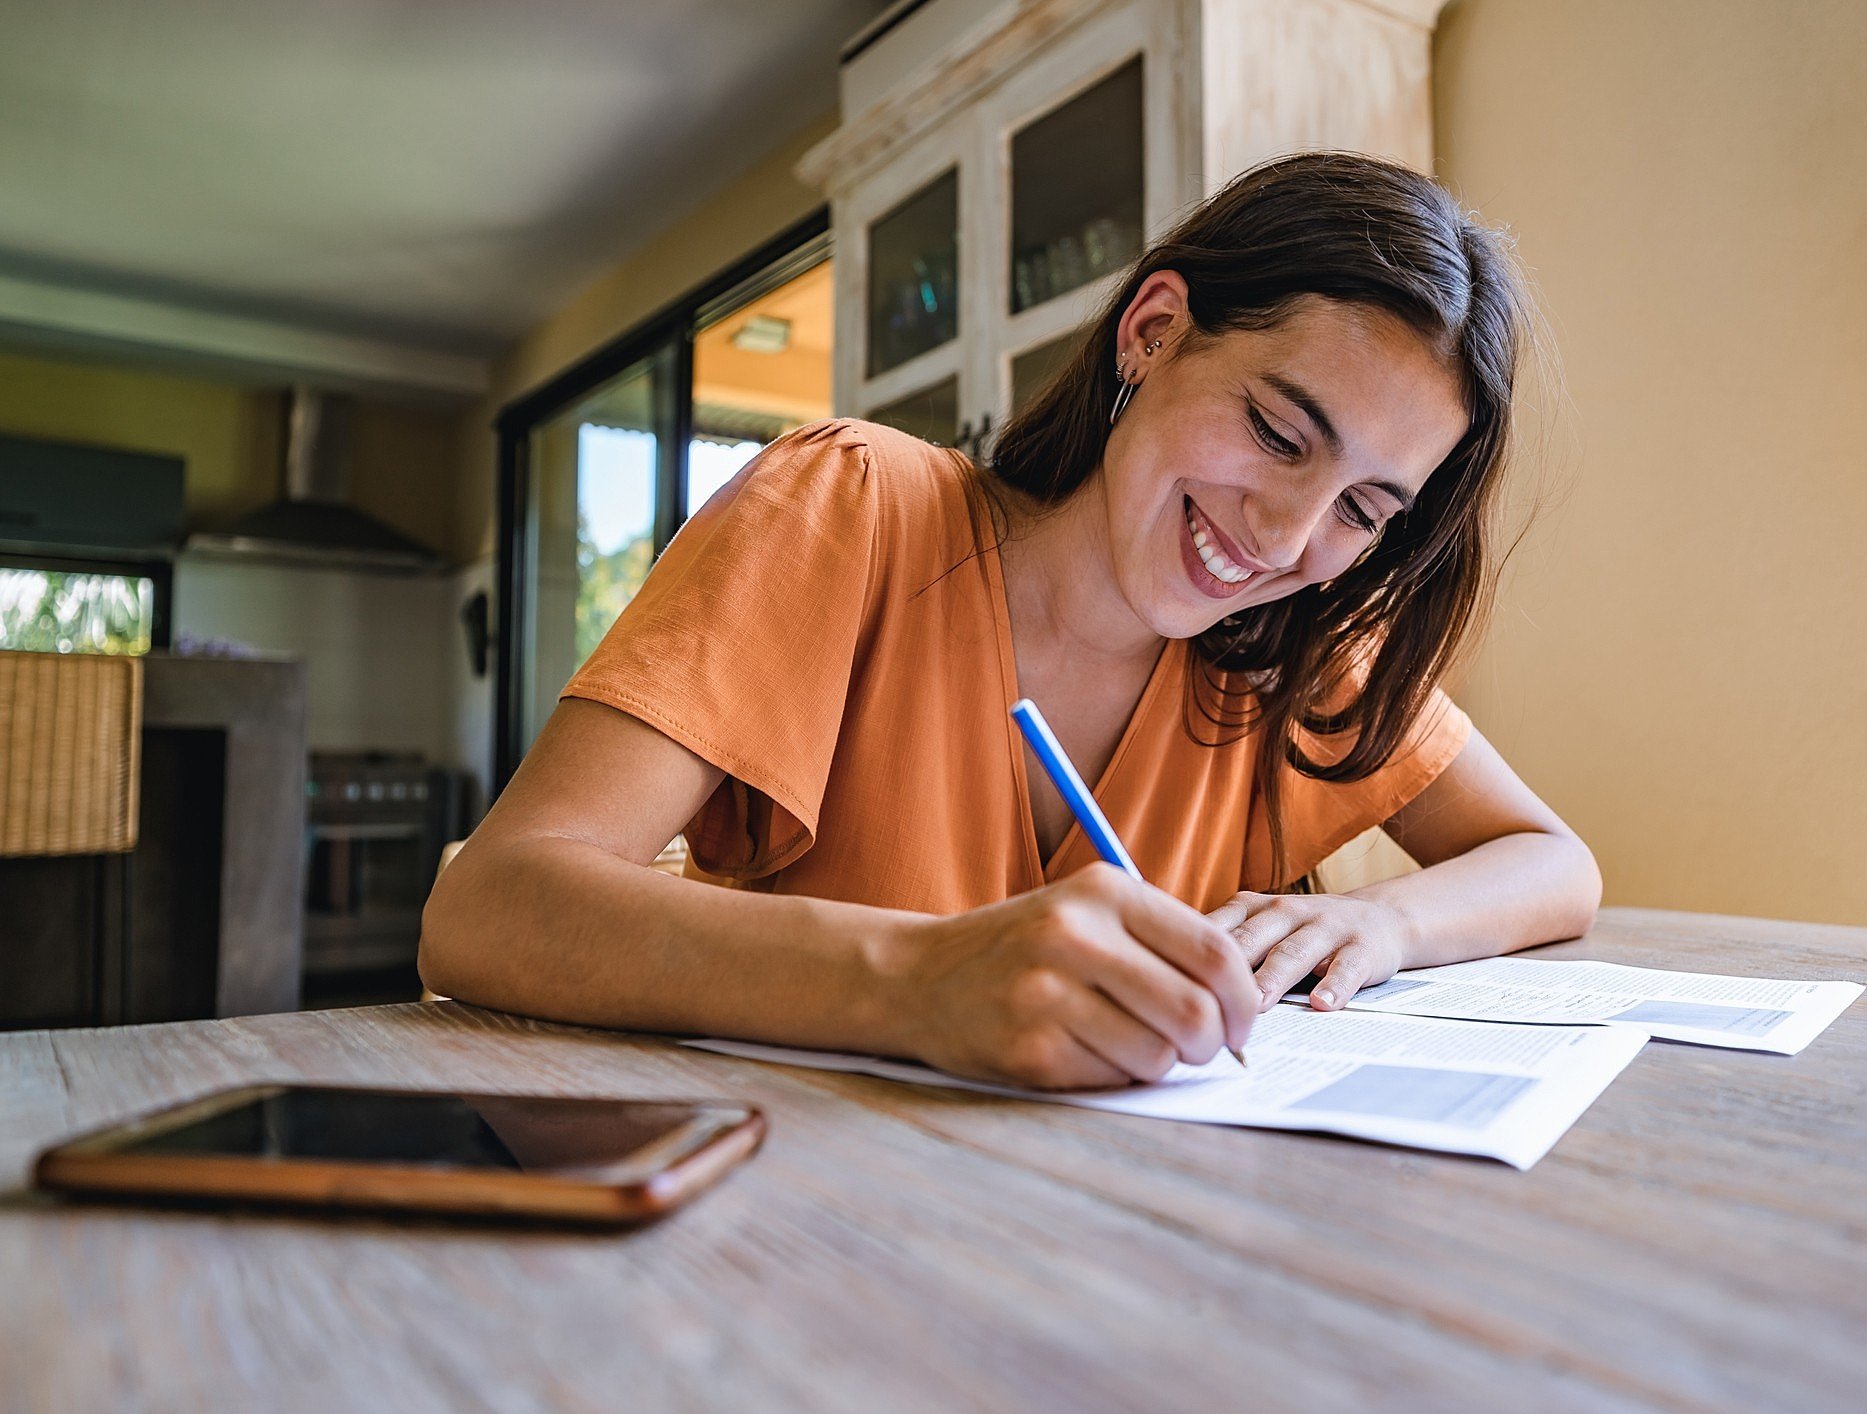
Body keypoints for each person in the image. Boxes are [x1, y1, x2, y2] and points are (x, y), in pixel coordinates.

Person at [420, 151, 1601, 1090]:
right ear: (1153, 332)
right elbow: (489, 910)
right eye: (1280, 434)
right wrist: (917, 980)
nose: (1287, 540)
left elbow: (1555, 863)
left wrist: (1383, 922)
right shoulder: (856, 508)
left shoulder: (1292, 654)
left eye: (1363, 508)